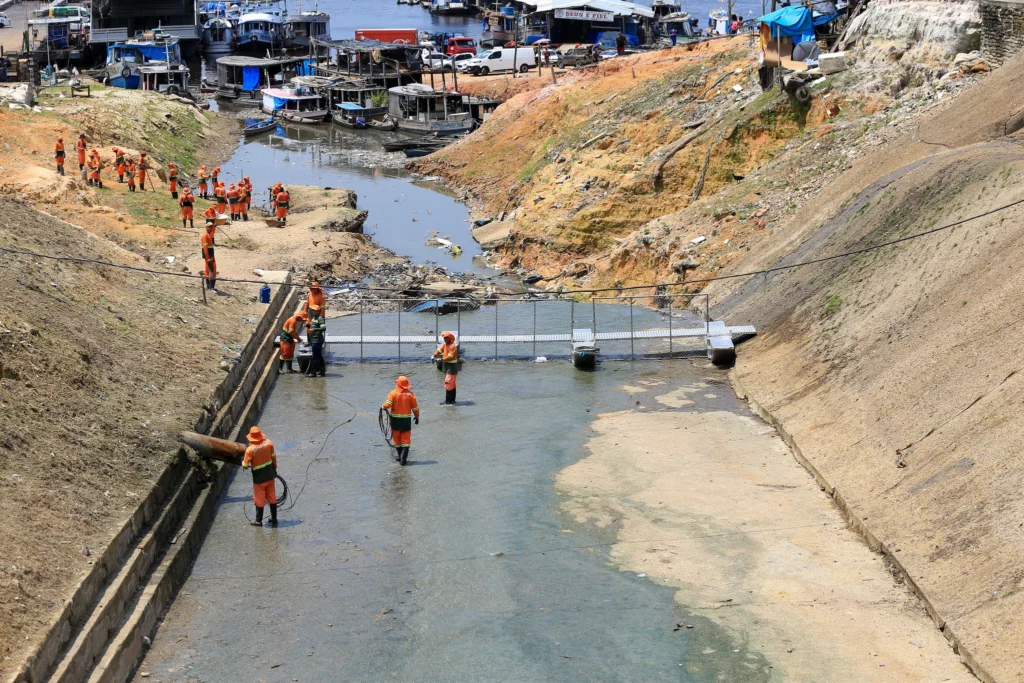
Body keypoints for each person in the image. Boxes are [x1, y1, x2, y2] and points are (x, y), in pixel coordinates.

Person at [241, 426, 278, 527]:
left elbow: (245, 465)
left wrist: (243, 463)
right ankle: (274, 519)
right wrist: (274, 468)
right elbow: (273, 457)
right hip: (270, 475)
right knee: (272, 496)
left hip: (259, 479)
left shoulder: (250, 450)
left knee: (259, 498)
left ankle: (258, 521)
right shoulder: (269, 443)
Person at [382, 376, 419, 465]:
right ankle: (403, 459)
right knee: (406, 440)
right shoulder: (411, 394)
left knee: (397, 440)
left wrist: (383, 407)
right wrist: (417, 416)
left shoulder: (393, 393)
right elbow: (415, 408)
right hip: (406, 422)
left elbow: (387, 405)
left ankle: (400, 456)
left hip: (395, 421)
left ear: (397, 383)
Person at [432, 331, 459, 405]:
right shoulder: (445, 345)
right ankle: (452, 401)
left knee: (448, 383)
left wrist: (442, 359)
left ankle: (448, 401)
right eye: (444, 338)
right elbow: (440, 350)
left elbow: (450, 356)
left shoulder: (452, 346)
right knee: (452, 384)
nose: (445, 339)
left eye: (446, 338)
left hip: (452, 367)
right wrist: (435, 354)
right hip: (446, 367)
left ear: (450, 338)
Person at [304, 306, 326, 378]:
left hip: (317, 340)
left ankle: (313, 372)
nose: (313, 312)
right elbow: (313, 325)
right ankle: (322, 371)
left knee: (314, 357)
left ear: (318, 311)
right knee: (319, 356)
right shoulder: (314, 318)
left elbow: (323, 328)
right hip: (313, 339)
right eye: (313, 310)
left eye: (315, 311)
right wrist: (308, 325)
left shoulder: (320, 318)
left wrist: (314, 330)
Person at [201, 222, 217, 291]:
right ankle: (211, 287)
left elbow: (212, 232)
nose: (211, 228)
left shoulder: (208, 235)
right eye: (209, 227)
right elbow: (205, 247)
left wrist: (215, 227)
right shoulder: (205, 236)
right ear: (206, 227)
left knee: (208, 270)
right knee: (212, 270)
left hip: (210, 256)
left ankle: (209, 286)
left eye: (211, 227)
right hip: (209, 256)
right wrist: (207, 257)